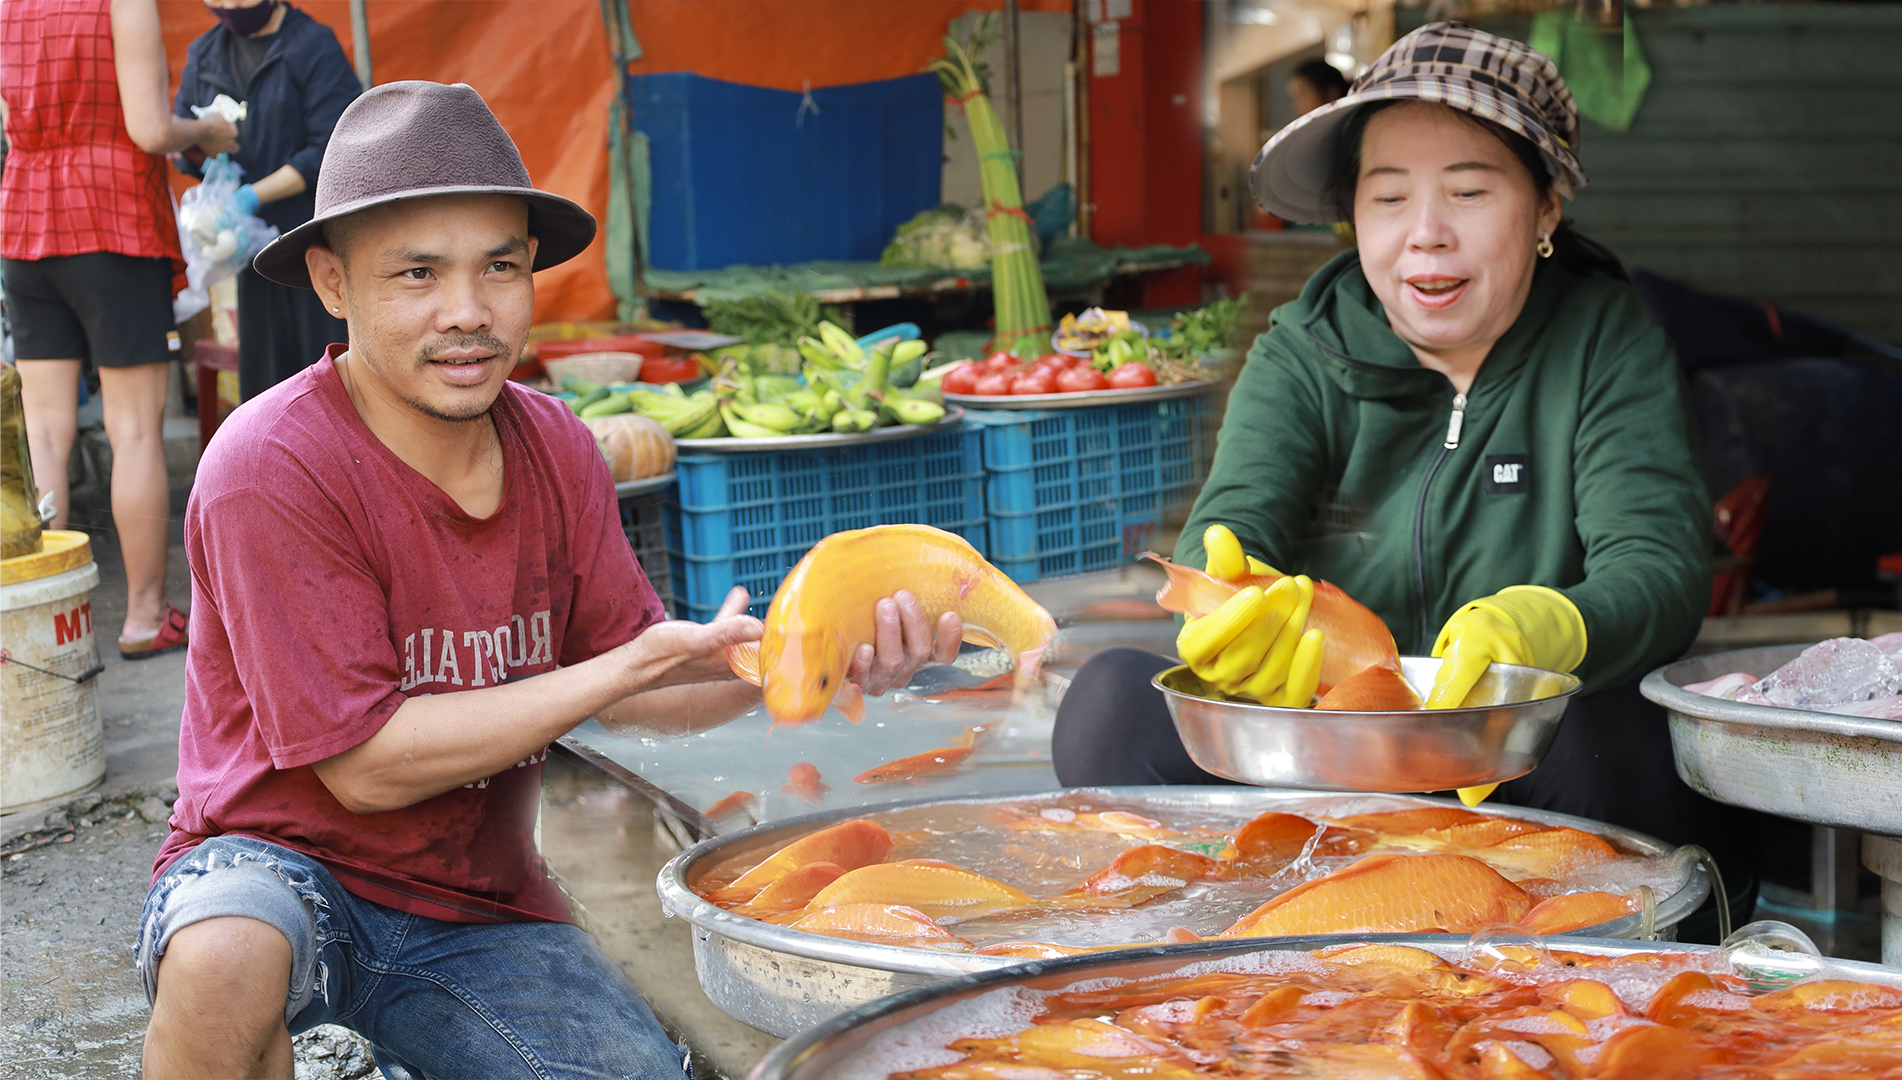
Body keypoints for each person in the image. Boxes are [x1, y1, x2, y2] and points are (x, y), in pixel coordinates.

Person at [135, 81, 961, 1080]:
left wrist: (799, 658)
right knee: (225, 954)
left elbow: (646, 686)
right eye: (417, 274)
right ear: (333, 282)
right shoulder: (269, 464)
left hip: (470, 904)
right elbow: (362, 764)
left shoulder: (562, 449)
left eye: (500, 267)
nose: (469, 313)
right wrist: (612, 676)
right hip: (274, 866)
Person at [1056, 26, 1736, 873]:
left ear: (1546, 210)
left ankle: (1568, 958)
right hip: (1315, 760)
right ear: (1353, 218)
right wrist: (1225, 609)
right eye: (1388, 198)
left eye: (1470, 192)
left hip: (1518, 762)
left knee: (1633, 726)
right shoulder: (1304, 350)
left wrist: (1552, 625)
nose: (1426, 234)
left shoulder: (1605, 340)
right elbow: (1236, 519)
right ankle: (1231, 936)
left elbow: (1658, 566)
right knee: (1111, 702)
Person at [1, 0, 237, 657]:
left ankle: (45, 614)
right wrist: (210, 131)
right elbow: (150, 129)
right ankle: (143, 616)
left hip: (25, 222)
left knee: (46, 429)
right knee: (133, 429)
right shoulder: (122, 2)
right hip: (111, 222)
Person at [175, 0, 360, 400]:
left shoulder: (312, 45)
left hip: (316, 237)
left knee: (330, 374)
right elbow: (182, 137)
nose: (229, 5)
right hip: (252, 257)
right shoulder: (204, 53)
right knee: (269, 384)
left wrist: (251, 196)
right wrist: (202, 156)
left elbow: (332, 144)